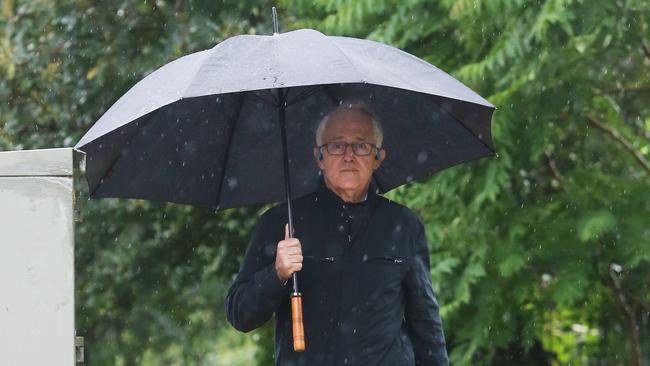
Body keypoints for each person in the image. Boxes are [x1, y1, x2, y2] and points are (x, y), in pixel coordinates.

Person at [226, 104, 449, 365]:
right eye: (336, 145)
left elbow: (425, 323)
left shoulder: (404, 225)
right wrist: (276, 274)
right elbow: (239, 313)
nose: (349, 155)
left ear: (378, 157)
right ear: (319, 156)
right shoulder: (282, 223)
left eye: (361, 145)